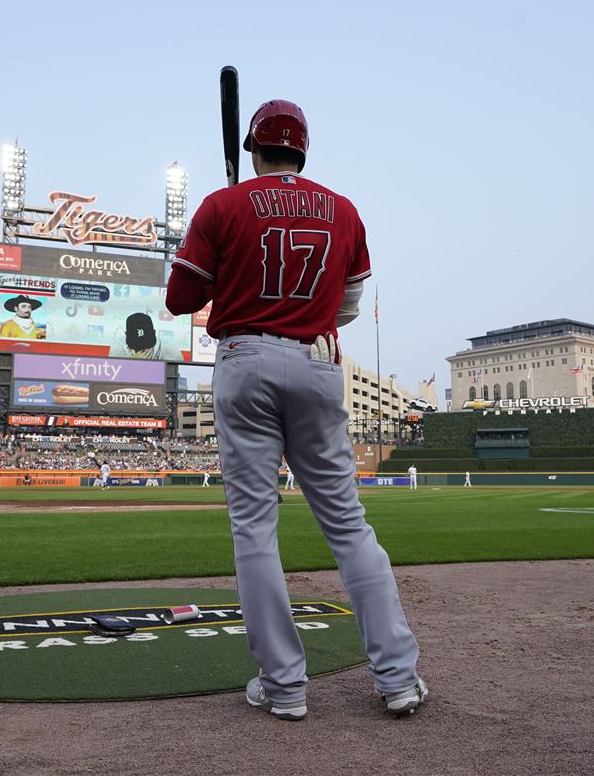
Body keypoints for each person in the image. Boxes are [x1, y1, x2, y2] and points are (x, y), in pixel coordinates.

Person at [165, 98, 424, 721]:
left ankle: (284, 688)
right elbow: (349, 305)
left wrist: (231, 263)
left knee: (255, 529)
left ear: (254, 150)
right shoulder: (343, 209)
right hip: (316, 359)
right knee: (348, 525)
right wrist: (300, 319)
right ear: (304, 151)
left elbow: (179, 298)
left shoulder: (222, 204)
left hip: (244, 358)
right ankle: (398, 679)